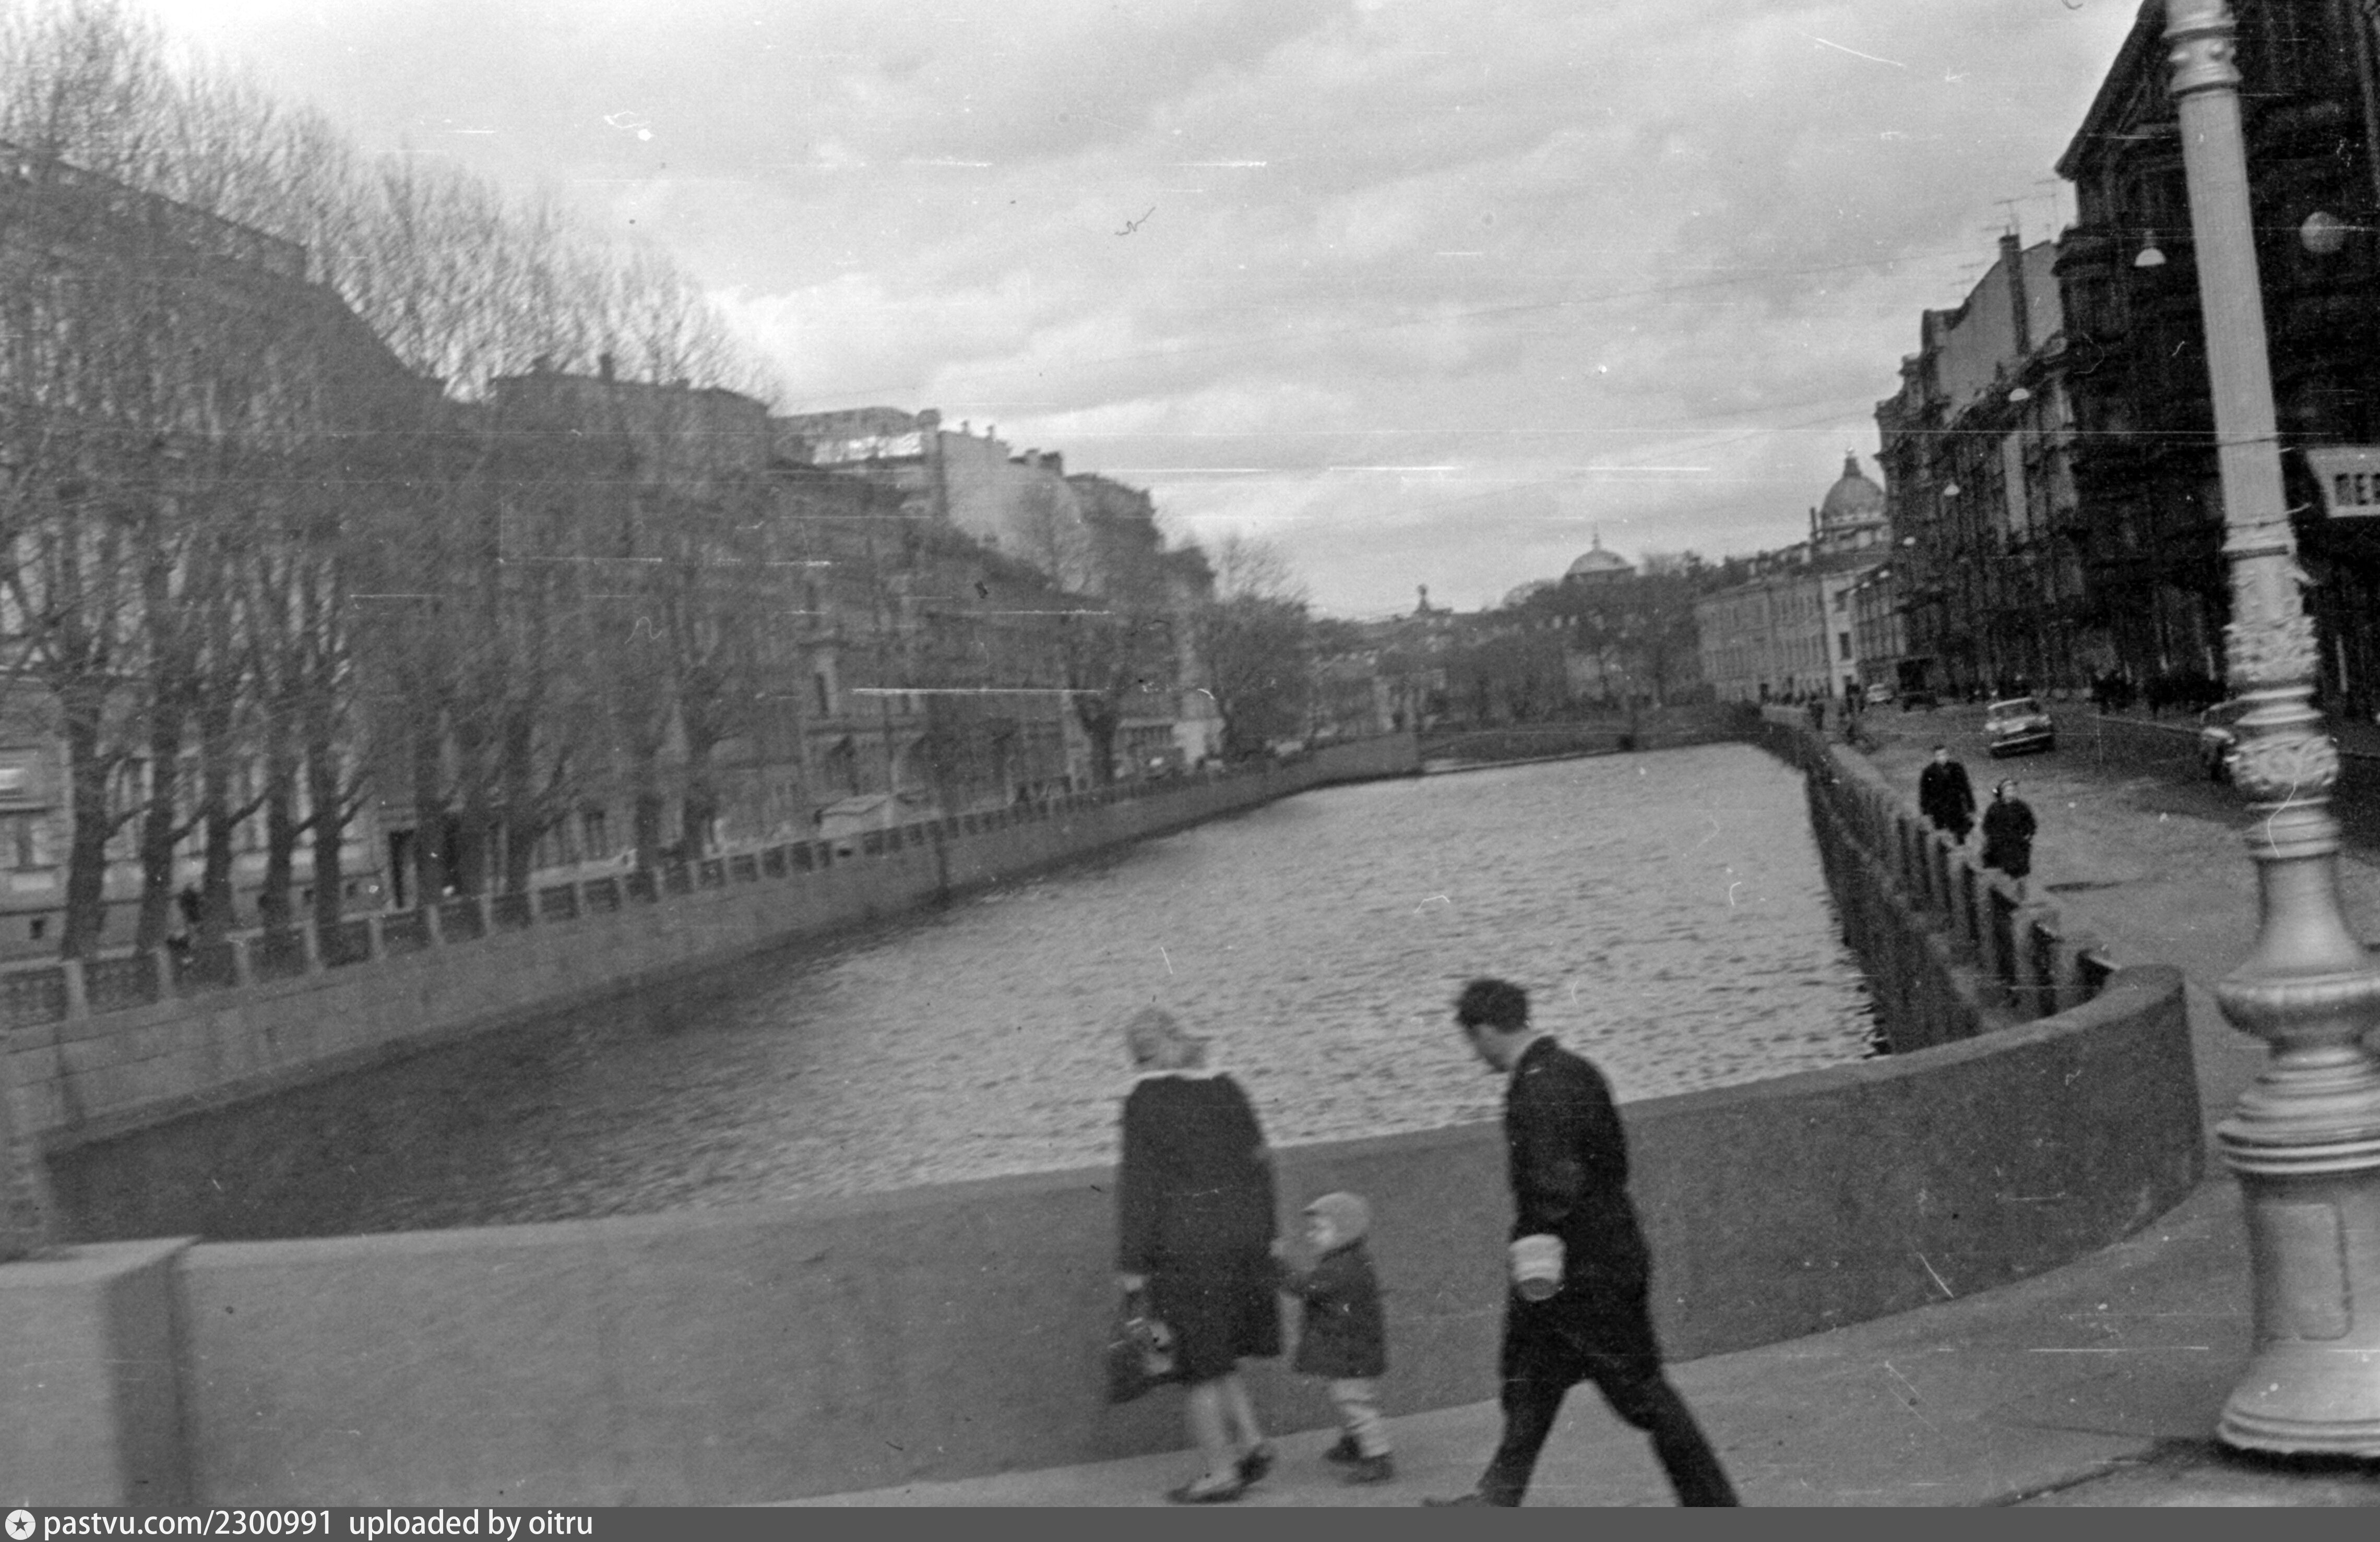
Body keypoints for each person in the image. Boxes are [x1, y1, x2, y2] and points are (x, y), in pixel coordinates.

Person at [1426, 979, 1737, 1508]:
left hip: (1576, 1274)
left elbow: (1554, 1188)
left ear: (1484, 1030)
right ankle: (1495, 1500)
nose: (1475, 1055)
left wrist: (1531, 1250)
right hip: (1607, 1254)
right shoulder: (1576, 1070)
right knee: (1532, 1382)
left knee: (1639, 1392)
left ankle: (1715, 1506)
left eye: (1472, 1042)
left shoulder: (1535, 1089)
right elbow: (1611, 1163)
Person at [1115, 1007, 1282, 1503]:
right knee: (1221, 1350)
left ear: (1141, 1053)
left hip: (1186, 1249)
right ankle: (1252, 1442)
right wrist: (1268, 1233)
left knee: (1196, 1365)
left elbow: (1139, 1187)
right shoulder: (1228, 1086)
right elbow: (1261, 1164)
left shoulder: (1145, 1099)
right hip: (1243, 1242)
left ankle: (1220, 1472)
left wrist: (1131, 1265)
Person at [1276, 1190, 1394, 1485]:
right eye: (1310, 1229)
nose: (1311, 1236)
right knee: (1350, 1399)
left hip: (1351, 1353)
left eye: (1320, 1229)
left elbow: (1304, 1286)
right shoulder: (1350, 1260)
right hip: (1354, 1350)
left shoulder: (1339, 1268)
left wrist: (1277, 1266)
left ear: (1345, 1231)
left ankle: (1378, 1456)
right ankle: (1355, 1443)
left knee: (1353, 1402)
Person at [1980, 778, 2038, 901]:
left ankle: (2021, 899)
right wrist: (1995, 839)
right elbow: (1987, 826)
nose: (2010, 793)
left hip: (2019, 846)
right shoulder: (1995, 808)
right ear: (2002, 792)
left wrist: (2028, 835)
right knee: (2005, 874)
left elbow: (2031, 824)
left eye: (2013, 790)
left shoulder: (2022, 807)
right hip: (2001, 847)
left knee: (2020, 874)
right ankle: (2007, 898)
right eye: (2008, 790)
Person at [1917, 743, 1977, 845]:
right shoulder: (1929, 772)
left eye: (1944, 754)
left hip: (1956, 808)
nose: (1942, 758)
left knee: (1960, 836)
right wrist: (1925, 812)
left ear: (1948, 755)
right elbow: (1924, 793)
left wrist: (1971, 807)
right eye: (1939, 755)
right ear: (1935, 757)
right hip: (1939, 811)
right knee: (1943, 840)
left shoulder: (1957, 768)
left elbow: (1966, 789)